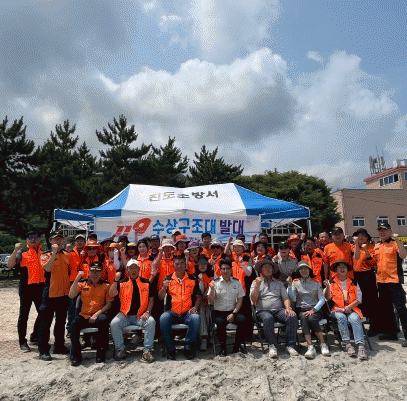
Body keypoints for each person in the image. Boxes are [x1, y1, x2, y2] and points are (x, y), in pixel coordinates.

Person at [250, 256, 298, 358]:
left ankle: (290, 345)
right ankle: (272, 345)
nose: (267, 269)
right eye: (265, 267)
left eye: (269, 267)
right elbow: (253, 299)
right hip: (262, 311)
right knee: (268, 318)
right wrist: (257, 286)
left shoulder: (279, 283)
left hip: (278, 310)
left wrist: (288, 308)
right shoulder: (256, 282)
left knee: (292, 316)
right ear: (261, 270)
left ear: (272, 270)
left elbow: (285, 297)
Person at [109, 258, 156, 363]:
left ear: (139, 269)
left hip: (140, 315)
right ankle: (120, 350)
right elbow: (111, 294)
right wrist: (115, 280)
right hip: (125, 315)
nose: (133, 270)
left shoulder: (146, 282)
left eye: (135, 267)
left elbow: (151, 299)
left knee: (151, 322)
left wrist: (147, 312)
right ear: (127, 270)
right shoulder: (121, 282)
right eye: (131, 268)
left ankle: (147, 351)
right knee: (114, 323)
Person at [7, 229, 44, 352]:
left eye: (35, 237)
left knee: (43, 313)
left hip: (40, 287)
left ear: (39, 239)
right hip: (26, 288)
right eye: (30, 237)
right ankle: (22, 342)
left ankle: (35, 336)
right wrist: (15, 250)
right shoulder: (22, 252)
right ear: (27, 240)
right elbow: (10, 265)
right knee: (24, 316)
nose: (33, 239)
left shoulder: (44, 252)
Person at [68, 263, 112, 366]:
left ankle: (101, 354)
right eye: (92, 271)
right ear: (89, 272)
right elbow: (71, 295)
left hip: (98, 315)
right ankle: (76, 355)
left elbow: (109, 304)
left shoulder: (106, 285)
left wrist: (97, 314)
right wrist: (77, 278)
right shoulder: (83, 284)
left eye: (98, 272)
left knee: (103, 320)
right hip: (84, 315)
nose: (95, 274)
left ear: (101, 273)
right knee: (74, 324)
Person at [159, 255, 202, 360]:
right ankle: (170, 348)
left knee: (196, 318)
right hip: (173, 312)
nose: (179, 266)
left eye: (182, 263)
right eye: (177, 264)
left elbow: (198, 296)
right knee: (163, 318)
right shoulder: (168, 279)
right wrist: (164, 288)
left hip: (187, 313)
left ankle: (188, 347)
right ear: (173, 265)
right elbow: (160, 297)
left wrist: (196, 307)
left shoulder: (192, 278)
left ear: (185, 264)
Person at [324, 260, 368, 360]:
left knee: (355, 319)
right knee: (341, 318)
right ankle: (347, 344)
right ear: (336, 270)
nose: (342, 269)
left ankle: (361, 346)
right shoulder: (331, 282)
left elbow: (359, 299)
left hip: (351, 309)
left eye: (344, 267)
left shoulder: (354, 282)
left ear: (348, 270)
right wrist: (327, 287)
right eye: (339, 267)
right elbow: (327, 298)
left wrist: (349, 307)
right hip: (337, 310)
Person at [38, 230, 71, 361]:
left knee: (61, 322)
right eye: (55, 238)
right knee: (46, 323)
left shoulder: (67, 255)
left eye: (60, 238)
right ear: (50, 241)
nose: (58, 241)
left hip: (64, 293)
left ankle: (59, 346)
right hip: (50, 294)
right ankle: (43, 350)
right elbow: (47, 268)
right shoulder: (45, 255)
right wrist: (53, 254)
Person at [287, 261, 330, 358]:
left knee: (312, 318)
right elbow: (293, 298)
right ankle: (310, 346)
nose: (303, 270)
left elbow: (322, 299)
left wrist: (313, 310)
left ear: (309, 270)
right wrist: (289, 286)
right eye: (301, 269)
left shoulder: (316, 282)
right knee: (304, 318)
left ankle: (323, 344)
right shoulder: (295, 282)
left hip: (315, 308)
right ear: (298, 271)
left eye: (305, 268)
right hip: (301, 308)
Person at [374, 222, 407, 346]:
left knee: (401, 309)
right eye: (380, 230)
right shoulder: (377, 245)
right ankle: (392, 333)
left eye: (385, 230)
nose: (382, 232)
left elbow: (403, 255)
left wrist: (397, 240)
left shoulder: (395, 243)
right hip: (381, 282)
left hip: (394, 281)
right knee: (387, 309)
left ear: (390, 231)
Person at [208, 258, 246, 356]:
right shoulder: (215, 283)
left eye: (227, 268)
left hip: (232, 311)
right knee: (220, 322)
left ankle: (237, 346)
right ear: (220, 270)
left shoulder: (236, 282)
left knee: (243, 320)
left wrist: (234, 313)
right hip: (219, 312)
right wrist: (212, 290)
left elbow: (240, 300)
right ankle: (222, 347)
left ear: (231, 269)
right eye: (223, 269)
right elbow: (210, 301)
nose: (225, 271)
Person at [352, 228, 380, 335]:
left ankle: (374, 327)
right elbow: (355, 258)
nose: (361, 237)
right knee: (357, 301)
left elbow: (373, 264)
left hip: (367, 275)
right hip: (355, 276)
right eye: (359, 235)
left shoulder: (372, 248)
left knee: (371, 300)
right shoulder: (353, 247)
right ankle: (359, 327)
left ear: (367, 237)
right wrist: (356, 245)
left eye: (363, 235)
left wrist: (366, 251)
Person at [194, 255, 214, 351]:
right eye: (200, 264)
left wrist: (209, 291)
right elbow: (196, 293)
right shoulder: (194, 276)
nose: (202, 266)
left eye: (204, 264)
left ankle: (210, 334)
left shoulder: (213, 275)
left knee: (209, 310)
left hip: (211, 301)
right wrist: (200, 282)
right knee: (202, 310)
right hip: (200, 302)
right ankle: (204, 338)